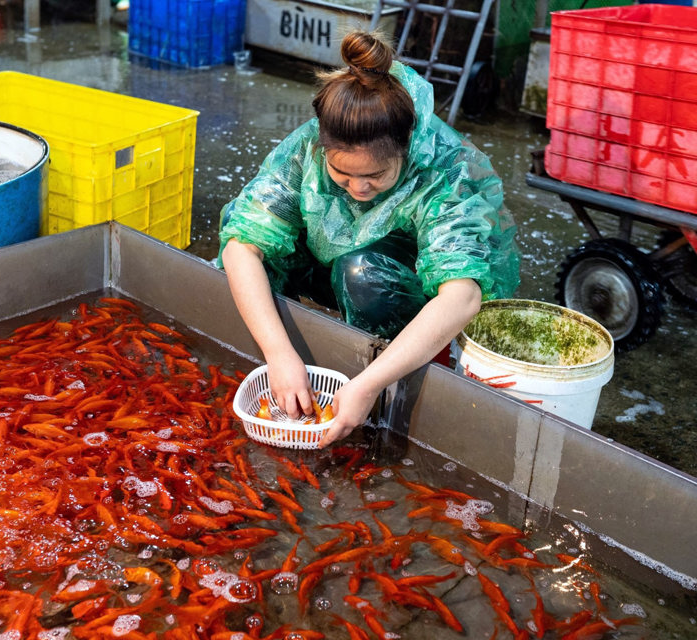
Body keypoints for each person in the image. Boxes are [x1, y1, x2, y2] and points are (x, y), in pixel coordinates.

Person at [218, 30, 520, 447]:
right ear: (324, 148)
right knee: (261, 259)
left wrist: (368, 385)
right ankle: (300, 356)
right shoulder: (307, 147)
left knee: (361, 275)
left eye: (375, 176)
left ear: (404, 148)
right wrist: (279, 355)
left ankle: (392, 369)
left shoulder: (444, 168)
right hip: (329, 262)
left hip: (399, 281)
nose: (358, 188)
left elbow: (462, 294)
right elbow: (241, 246)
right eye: (343, 174)